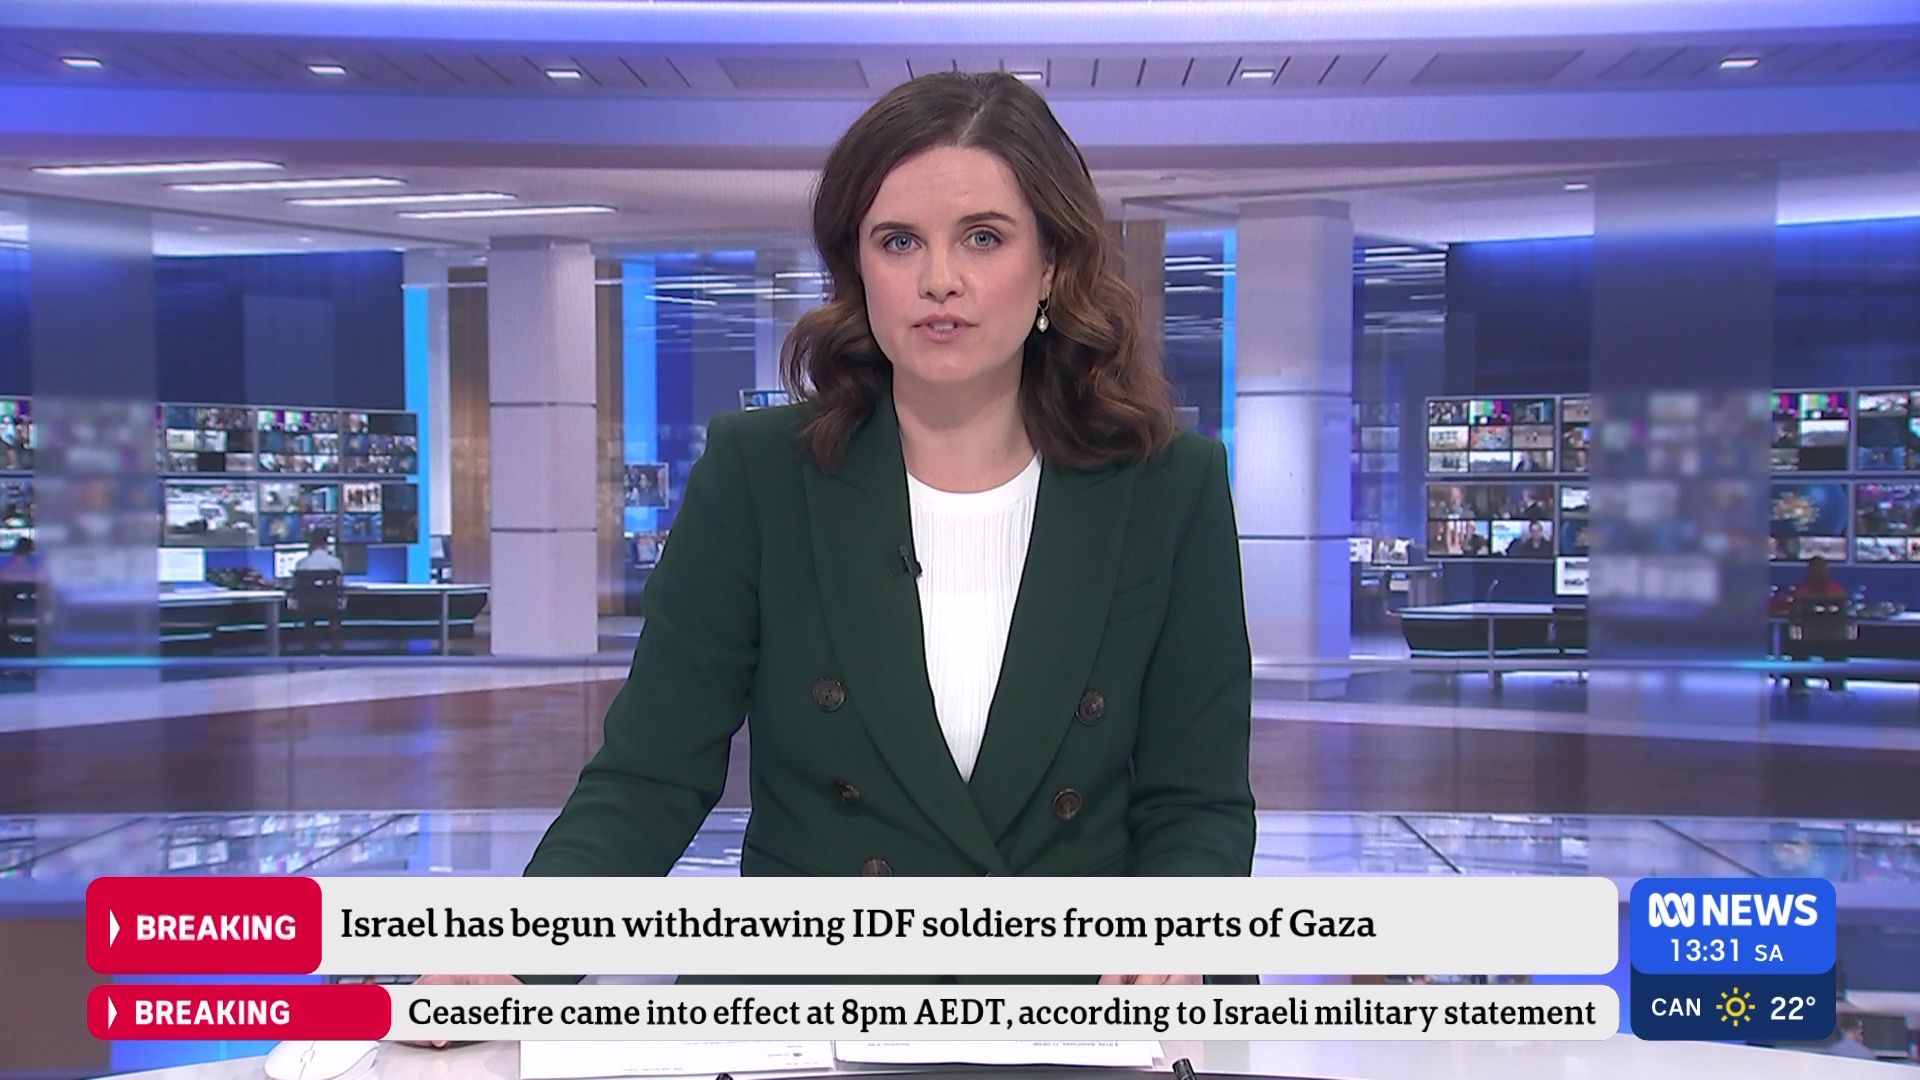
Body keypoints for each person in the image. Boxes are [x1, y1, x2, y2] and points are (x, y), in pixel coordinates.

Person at [411, 70, 1254, 1025]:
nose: (940, 280)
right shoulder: (761, 474)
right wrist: (515, 964)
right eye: (899, 241)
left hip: (1070, 1013)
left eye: (983, 237)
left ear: (1053, 262)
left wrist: (1179, 940)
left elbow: (1197, 802)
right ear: (858, 268)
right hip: (808, 1012)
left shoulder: (1166, 486)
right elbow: (650, 776)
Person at [1786, 555, 1849, 695]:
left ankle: (1835, 687)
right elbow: (1794, 615)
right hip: (1814, 639)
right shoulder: (1803, 592)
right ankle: (1798, 688)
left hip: (1826, 639)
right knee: (1798, 652)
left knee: (1835, 653)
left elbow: (1793, 616)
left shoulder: (1835, 590)